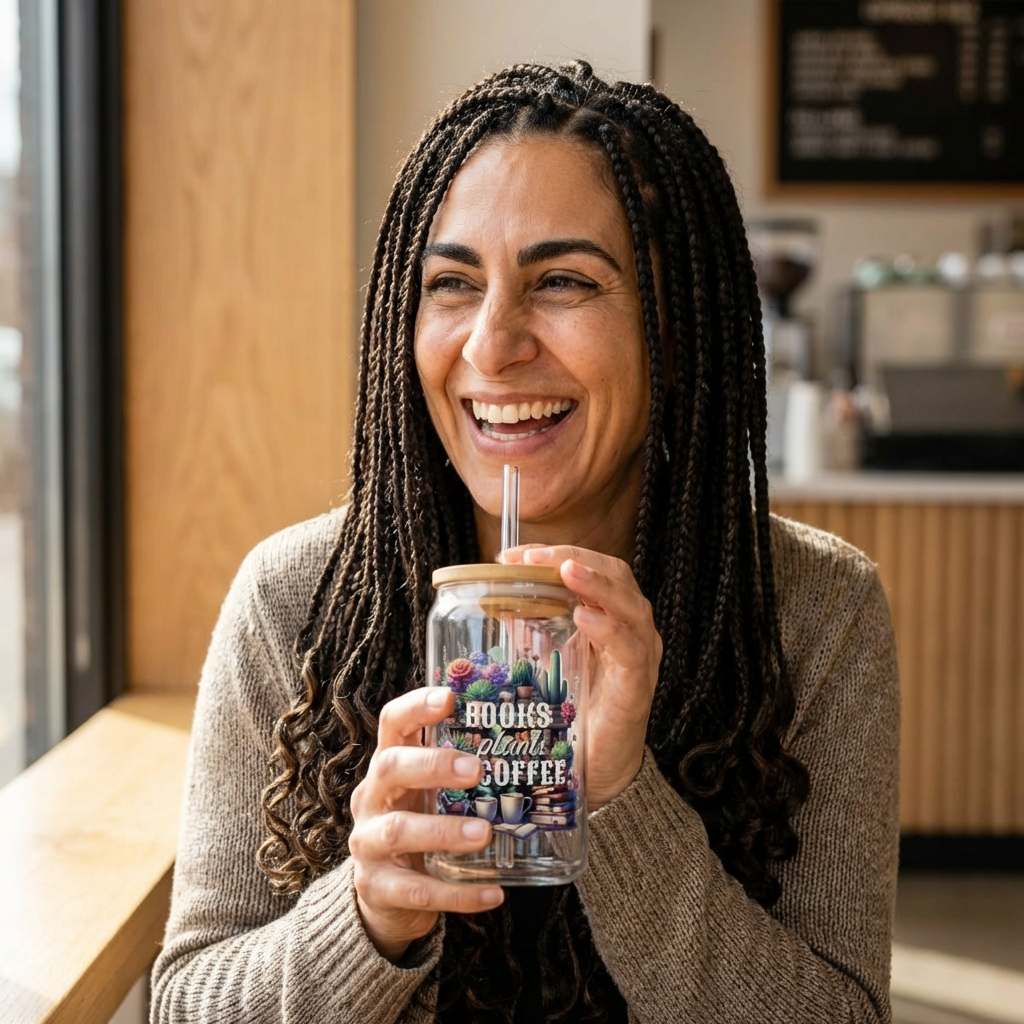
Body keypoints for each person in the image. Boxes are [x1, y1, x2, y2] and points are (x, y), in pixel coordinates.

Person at [151, 62, 899, 1024]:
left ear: (675, 329)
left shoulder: (811, 609)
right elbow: (188, 1004)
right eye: (453, 284)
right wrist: (368, 917)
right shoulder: (297, 598)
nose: (491, 345)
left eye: (563, 281)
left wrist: (620, 798)